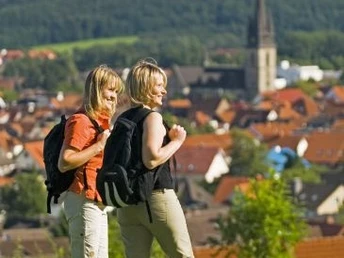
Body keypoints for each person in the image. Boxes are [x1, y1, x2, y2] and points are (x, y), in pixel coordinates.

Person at [117, 58, 194, 258]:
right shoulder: (152, 117)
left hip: (127, 203)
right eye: (160, 85)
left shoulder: (123, 119)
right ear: (147, 87)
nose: (164, 91)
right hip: (156, 197)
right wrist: (177, 141)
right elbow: (151, 159)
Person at [58, 65, 123, 258]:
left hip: (96, 200)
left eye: (116, 92)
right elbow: (65, 162)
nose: (113, 96)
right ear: (95, 88)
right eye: (109, 90)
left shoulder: (97, 122)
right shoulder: (81, 121)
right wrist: (99, 146)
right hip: (83, 198)